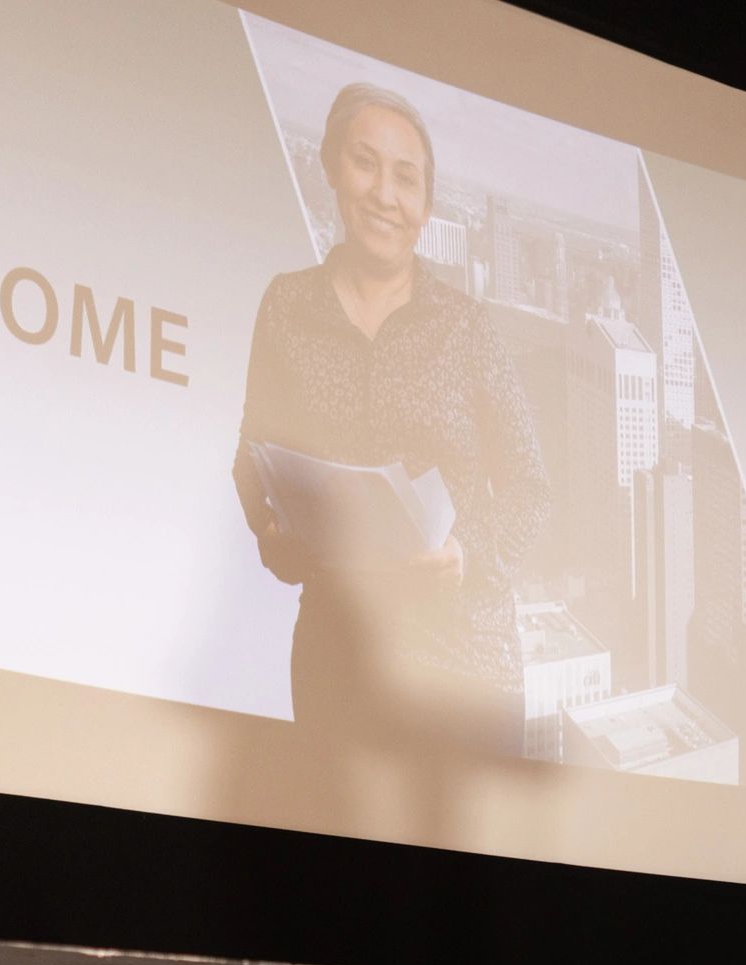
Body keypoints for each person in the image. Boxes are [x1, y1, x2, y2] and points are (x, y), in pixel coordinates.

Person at [230, 82, 548, 756]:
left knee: (466, 865)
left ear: (426, 205)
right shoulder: (287, 309)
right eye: (364, 163)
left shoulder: (466, 326)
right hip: (337, 657)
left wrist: (469, 556)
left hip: (464, 667)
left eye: (406, 178)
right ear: (332, 171)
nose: (384, 193)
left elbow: (530, 487)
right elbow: (253, 458)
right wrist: (274, 527)